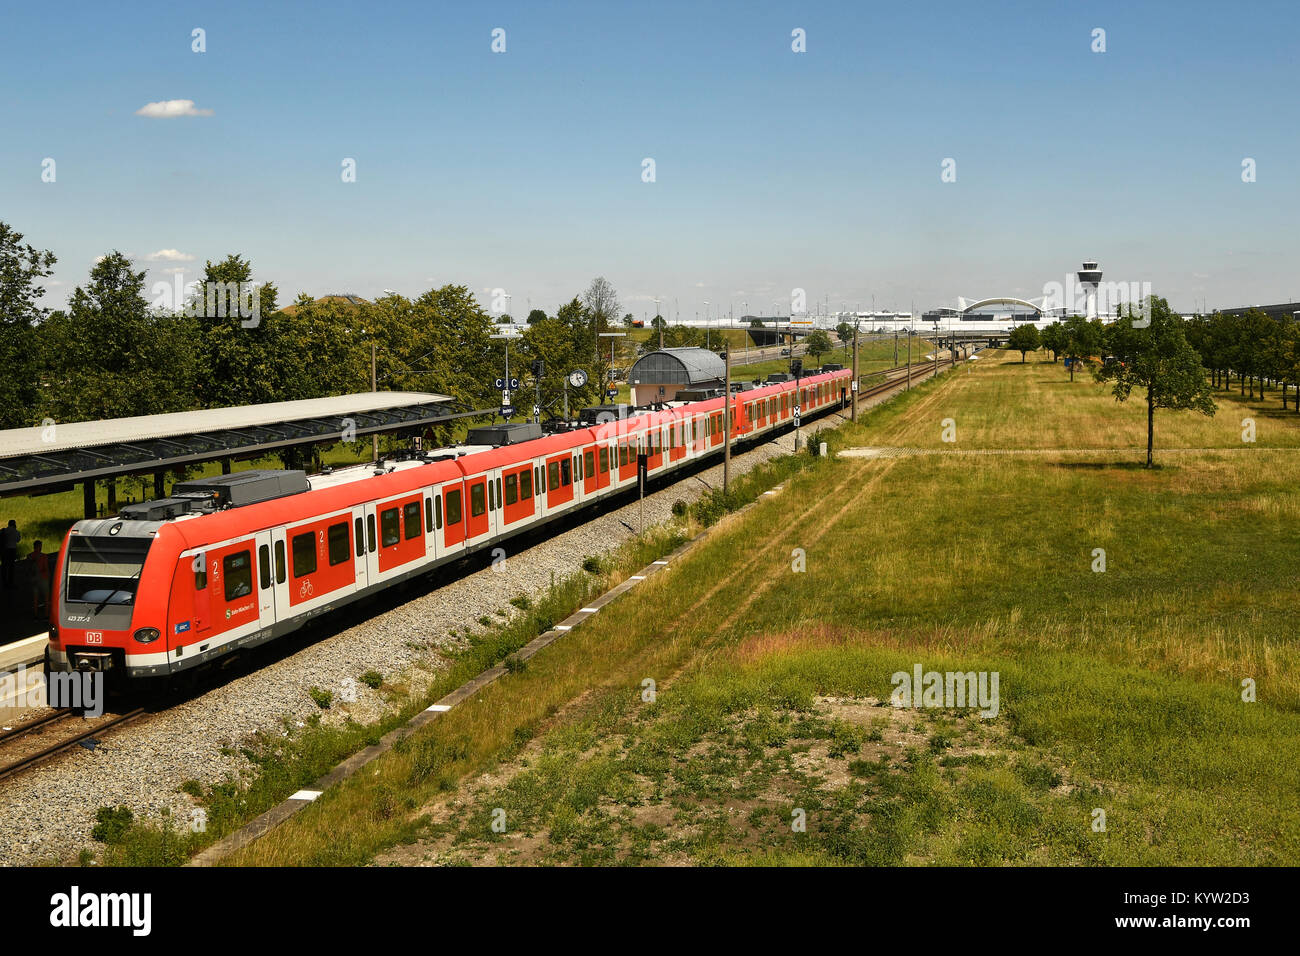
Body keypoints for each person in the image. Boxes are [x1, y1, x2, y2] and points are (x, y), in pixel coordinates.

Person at [26, 540, 50, 619]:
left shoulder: (29, 556)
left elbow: (28, 569)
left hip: (34, 579)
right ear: (40, 547)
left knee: (35, 598)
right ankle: (46, 615)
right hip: (43, 578)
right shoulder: (44, 556)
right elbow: (45, 568)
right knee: (46, 598)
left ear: (34, 547)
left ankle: (35, 615)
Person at [0, 520, 19, 589]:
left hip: (4, 550)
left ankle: (4, 583)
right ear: (14, 524)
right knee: (11, 567)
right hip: (12, 550)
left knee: (4, 567)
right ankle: (11, 583)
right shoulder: (16, 532)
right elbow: (18, 540)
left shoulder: (4, 530)